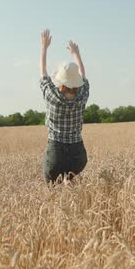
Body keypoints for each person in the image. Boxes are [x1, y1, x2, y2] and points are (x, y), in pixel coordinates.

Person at [39, 29, 90, 184]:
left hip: (56, 150)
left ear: (60, 82)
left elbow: (43, 73)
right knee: (70, 180)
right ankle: (69, 181)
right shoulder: (82, 96)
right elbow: (83, 75)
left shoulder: (52, 96)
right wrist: (76, 54)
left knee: (52, 188)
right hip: (77, 154)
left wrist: (44, 47)